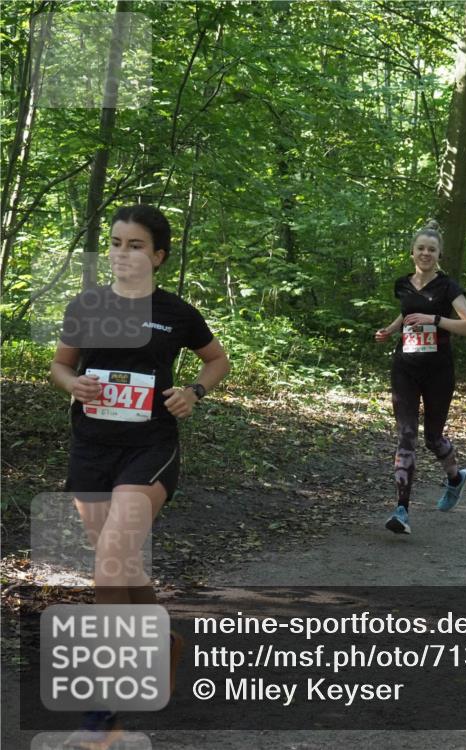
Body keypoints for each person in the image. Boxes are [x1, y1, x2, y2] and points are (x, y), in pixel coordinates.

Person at [50, 204, 230, 747]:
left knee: (109, 564)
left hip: (149, 448)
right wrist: (71, 385)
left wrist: (193, 392)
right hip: (91, 449)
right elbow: (61, 365)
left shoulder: (175, 312)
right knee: (119, 562)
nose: (121, 254)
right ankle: (162, 640)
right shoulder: (87, 306)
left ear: (157, 256)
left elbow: (216, 360)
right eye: (114, 243)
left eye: (134, 245)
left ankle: (105, 713)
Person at [375, 221, 466, 534]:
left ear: (439, 255)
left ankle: (455, 478)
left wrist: (435, 319)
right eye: (420, 248)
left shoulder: (448, 287)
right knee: (406, 434)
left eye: (431, 249)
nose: (425, 253)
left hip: (438, 370)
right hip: (405, 367)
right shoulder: (402, 284)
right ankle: (401, 510)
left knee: (433, 437)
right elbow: (408, 312)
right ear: (412, 252)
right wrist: (391, 330)